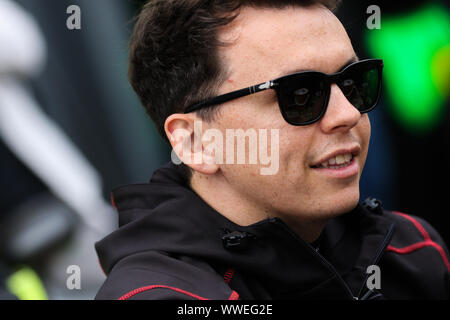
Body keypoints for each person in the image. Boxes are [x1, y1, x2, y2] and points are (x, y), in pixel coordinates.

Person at [95, 0, 450, 300]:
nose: (348, 113)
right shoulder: (163, 296)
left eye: (353, 82)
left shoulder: (413, 252)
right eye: (300, 95)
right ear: (195, 142)